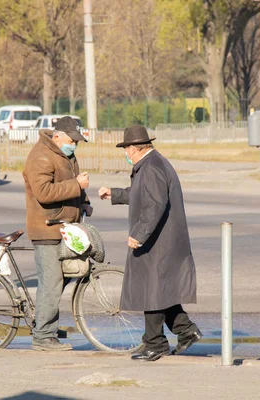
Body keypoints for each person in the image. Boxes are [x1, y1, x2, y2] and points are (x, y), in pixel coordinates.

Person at [98, 125, 202, 362]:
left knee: (152, 291)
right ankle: (187, 331)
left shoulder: (152, 167)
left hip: (159, 241)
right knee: (160, 289)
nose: (125, 153)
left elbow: (155, 204)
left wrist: (140, 234)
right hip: (163, 240)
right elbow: (140, 193)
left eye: (126, 149)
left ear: (134, 148)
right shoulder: (152, 163)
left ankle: (155, 344)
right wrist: (114, 194)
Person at [23, 116, 91, 351]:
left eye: (78, 141)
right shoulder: (41, 155)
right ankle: (42, 336)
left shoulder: (66, 155)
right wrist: (78, 187)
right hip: (47, 228)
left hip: (64, 227)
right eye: (73, 140)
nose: (76, 144)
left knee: (65, 276)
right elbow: (44, 193)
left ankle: (43, 322)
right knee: (51, 282)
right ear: (58, 136)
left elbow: (72, 183)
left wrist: (84, 202)